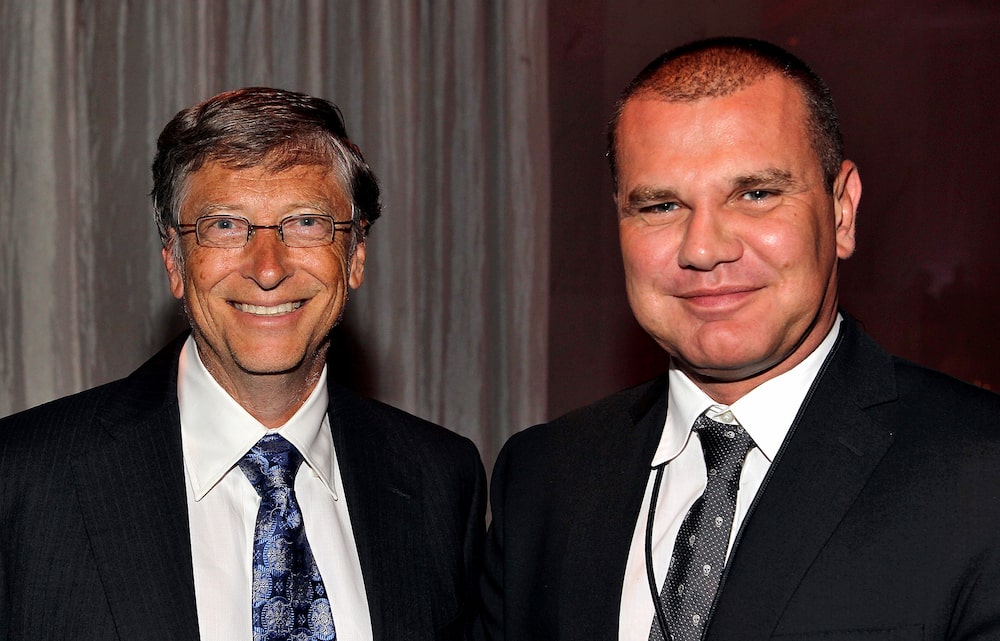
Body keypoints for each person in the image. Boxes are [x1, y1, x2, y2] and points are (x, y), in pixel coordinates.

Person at [475, 37, 1000, 640]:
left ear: (842, 212)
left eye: (756, 194)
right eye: (661, 206)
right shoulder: (544, 478)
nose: (703, 249)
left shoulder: (979, 476)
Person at [0, 87, 485, 641]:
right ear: (175, 261)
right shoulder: (23, 480)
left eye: (305, 222)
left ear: (354, 257)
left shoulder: (442, 481)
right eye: (226, 225)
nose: (269, 268)